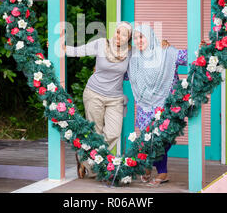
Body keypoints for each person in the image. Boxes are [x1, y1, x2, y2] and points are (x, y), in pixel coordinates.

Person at [64, 21, 132, 178]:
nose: (119, 36)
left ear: (128, 38)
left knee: (113, 133)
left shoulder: (130, 53)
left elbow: (148, 58)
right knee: (96, 132)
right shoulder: (101, 44)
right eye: (117, 32)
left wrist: (163, 47)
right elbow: (79, 50)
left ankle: (85, 158)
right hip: (94, 93)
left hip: (115, 98)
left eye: (124, 34)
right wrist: (63, 48)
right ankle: (93, 164)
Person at [127, 24, 188, 187]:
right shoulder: (134, 59)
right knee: (148, 139)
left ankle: (152, 168)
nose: (138, 41)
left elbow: (187, 57)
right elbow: (124, 74)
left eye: (142, 37)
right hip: (145, 106)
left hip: (166, 104)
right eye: (135, 38)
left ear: (150, 37)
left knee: (162, 139)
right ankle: (157, 171)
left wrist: (202, 48)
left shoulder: (166, 52)